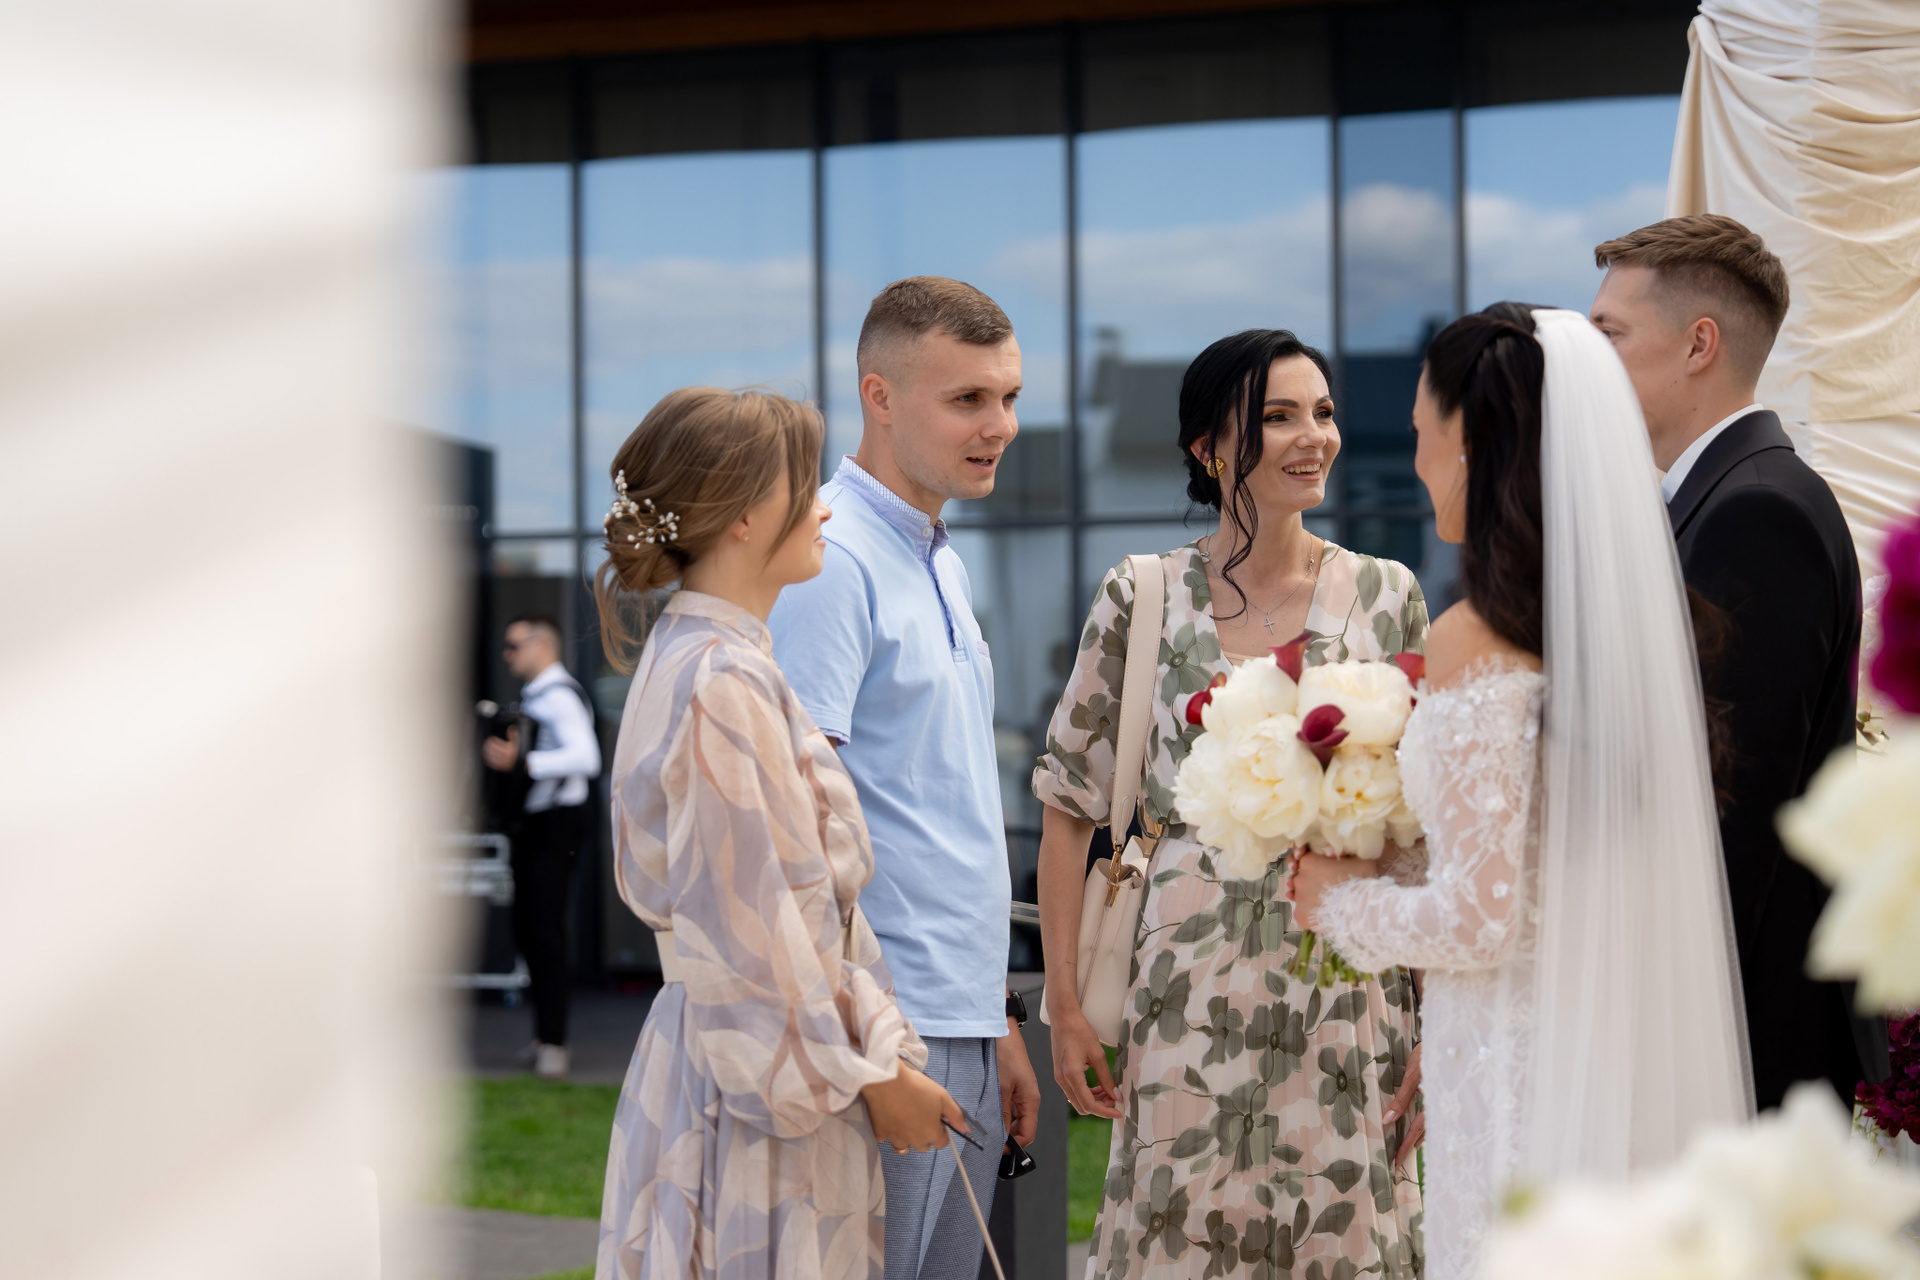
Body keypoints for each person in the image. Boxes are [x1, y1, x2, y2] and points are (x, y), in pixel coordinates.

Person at [1291, 307, 1752, 1280]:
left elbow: (1480, 919)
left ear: (1470, 442)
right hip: (1606, 1046)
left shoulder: (1476, 635)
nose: (1417, 460)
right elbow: (1541, 864)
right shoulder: (1621, 634)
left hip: (1513, 1065)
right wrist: (1399, 856)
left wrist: (1337, 898)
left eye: (1420, 432)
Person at [1036, 330, 1427, 1280]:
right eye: (1279, 417)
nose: (1314, 436)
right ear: (1209, 448)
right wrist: (1065, 1006)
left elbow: (1420, 832)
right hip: (1186, 988)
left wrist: (1436, 1020)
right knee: (1180, 1236)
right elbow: (1068, 806)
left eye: (1323, 413)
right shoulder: (1141, 594)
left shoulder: (1388, 595)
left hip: (1347, 987)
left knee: (1342, 1238)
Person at [593, 386, 964, 1280]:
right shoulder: (721, 679)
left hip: (735, 1058)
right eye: (804, 488)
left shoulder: (710, 657)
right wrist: (876, 1077)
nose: (824, 509)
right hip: (760, 1080)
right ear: (744, 517)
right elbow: (752, 927)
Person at [766, 277, 1041, 1280]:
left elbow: (939, 816)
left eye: (1008, 397)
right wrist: (871, 1052)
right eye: (967, 398)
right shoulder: (830, 558)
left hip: (954, 1016)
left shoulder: (939, 558)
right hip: (886, 1031)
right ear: (878, 397)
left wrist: (995, 1015)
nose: (999, 426)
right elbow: (795, 833)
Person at [1589, 214, 1888, 1110]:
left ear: (1699, 344)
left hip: (1742, 1023)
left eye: (1610, 333)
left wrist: (1651, 1021)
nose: (1590, 362)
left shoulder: (1757, 512)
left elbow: (1730, 807)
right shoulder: (1722, 498)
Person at [483, 612, 601, 1080]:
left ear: (543, 645)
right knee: (530, 930)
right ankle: (543, 1037)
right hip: (537, 823)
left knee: (546, 931)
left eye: (515, 645)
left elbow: (587, 758)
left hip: (557, 824)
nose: (508, 655)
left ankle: (554, 1042)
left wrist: (524, 762)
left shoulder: (559, 697)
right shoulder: (538, 696)